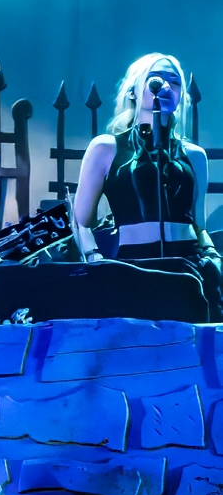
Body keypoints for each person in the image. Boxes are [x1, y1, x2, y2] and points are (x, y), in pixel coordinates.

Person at [73, 53, 221, 312]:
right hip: (132, 268)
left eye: (174, 81)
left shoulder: (194, 155)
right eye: (156, 78)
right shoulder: (106, 148)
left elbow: (199, 225)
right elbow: (81, 221)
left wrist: (212, 256)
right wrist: (94, 258)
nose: (166, 86)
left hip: (189, 268)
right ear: (133, 90)